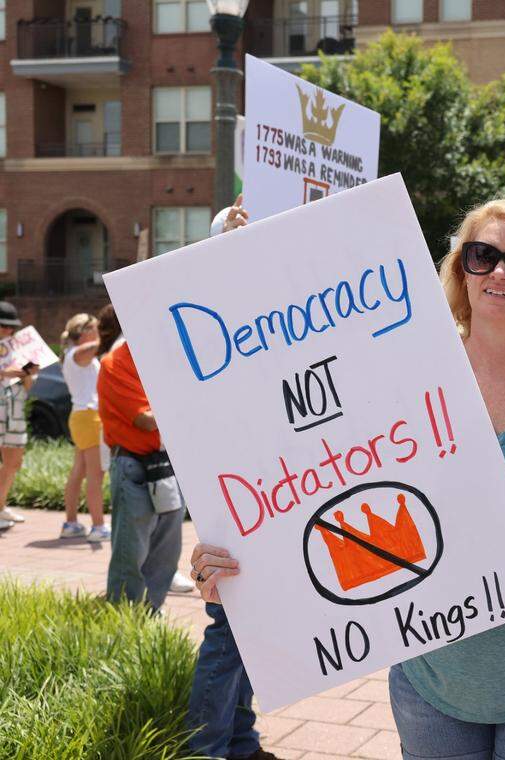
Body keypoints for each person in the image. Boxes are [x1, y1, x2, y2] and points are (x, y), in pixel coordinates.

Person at [191, 198, 505, 760]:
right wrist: (243, 573)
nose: (500, 272)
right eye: (483, 256)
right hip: (431, 686)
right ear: (462, 270)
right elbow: (321, 490)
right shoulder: (400, 378)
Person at [182, 198, 280, 760]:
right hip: (241, 493)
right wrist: (224, 233)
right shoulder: (220, 330)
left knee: (251, 629)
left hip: (278, 489)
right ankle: (207, 749)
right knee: (230, 628)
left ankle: (239, 740)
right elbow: (193, 290)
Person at [100, 308, 185, 612]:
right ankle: (123, 617)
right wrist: (189, 399)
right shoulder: (115, 365)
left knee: (167, 548)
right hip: (134, 466)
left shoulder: (164, 361)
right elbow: (145, 420)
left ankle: (151, 612)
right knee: (131, 551)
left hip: (166, 464)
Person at [59, 313, 110, 542]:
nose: (98, 329)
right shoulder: (79, 353)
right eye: (94, 327)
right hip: (89, 418)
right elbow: (97, 346)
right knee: (95, 475)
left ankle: (70, 523)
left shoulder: (72, 355)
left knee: (79, 472)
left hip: (82, 417)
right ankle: (98, 527)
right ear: (83, 332)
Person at [0, 301, 36, 531]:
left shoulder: (17, 350)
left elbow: (28, 387)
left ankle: (1, 506)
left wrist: (27, 374)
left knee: (13, 462)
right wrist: (5, 372)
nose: (9, 331)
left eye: (11, 327)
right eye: (4, 326)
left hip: (14, 411)